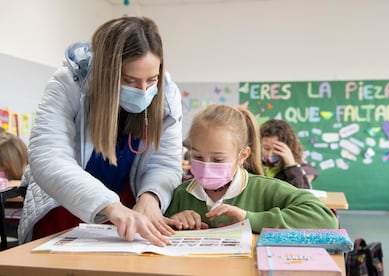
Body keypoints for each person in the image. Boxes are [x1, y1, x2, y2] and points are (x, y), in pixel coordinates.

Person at [18, 16, 183, 246]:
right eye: (130, 80)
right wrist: (110, 206)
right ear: (108, 73)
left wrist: (151, 197)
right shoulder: (69, 84)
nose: (144, 90)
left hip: (128, 215)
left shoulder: (166, 96)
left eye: (151, 80)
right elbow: (48, 156)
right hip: (64, 208)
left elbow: (166, 163)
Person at [164, 104, 338, 233]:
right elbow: (159, 228)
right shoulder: (181, 194)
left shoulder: (265, 189)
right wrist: (173, 222)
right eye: (198, 157)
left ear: (242, 156)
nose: (207, 167)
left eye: (218, 159)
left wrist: (251, 219)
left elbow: (325, 219)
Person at [260, 119, 318, 189]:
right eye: (266, 148)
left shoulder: (294, 168)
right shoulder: (254, 164)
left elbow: (300, 195)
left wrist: (291, 166)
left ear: (288, 149)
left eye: (277, 149)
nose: (270, 154)